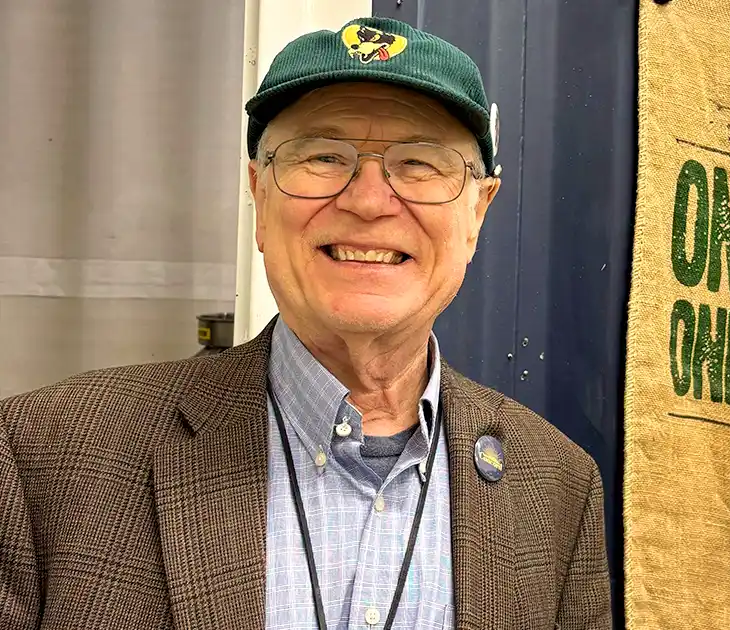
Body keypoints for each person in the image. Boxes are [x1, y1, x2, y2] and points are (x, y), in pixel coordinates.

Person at [0, 17, 611, 629]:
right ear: (258, 196)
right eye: (322, 156)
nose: (369, 201)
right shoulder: (46, 456)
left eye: (421, 163)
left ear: (478, 212)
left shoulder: (558, 487)